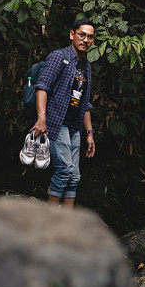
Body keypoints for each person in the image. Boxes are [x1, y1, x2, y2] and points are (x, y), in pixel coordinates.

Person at [31, 19, 96, 207]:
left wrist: (89, 133)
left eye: (90, 37)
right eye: (82, 35)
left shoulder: (86, 66)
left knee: (74, 175)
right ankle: (52, 219)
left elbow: (85, 103)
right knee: (65, 169)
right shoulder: (59, 57)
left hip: (75, 126)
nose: (85, 40)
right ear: (72, 35)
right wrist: (42, 119)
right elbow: (42, 87)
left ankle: (67, 223)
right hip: (57, 123)